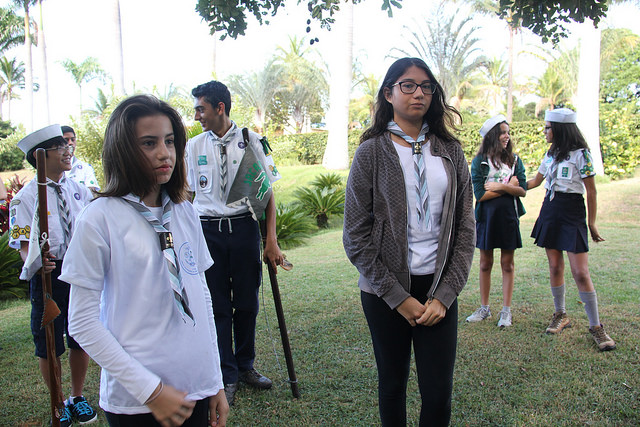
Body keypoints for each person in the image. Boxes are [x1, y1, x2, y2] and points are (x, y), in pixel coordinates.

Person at [61, 95, 229, 426]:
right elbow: (81, 322)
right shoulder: (98, 218)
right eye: (149, 143)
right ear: (123, 150)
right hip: (137, 401)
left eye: (170, 141)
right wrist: (150, 391)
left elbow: (201, 298)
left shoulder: (184, 211)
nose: (164, 153)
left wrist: (215, 380)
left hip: (195, 387)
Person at [343, 57, 476, 426]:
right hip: (384, 291)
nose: (419, 93)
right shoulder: (371, 151)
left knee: (438, 392)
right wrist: (398, 298)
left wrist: (445, 295)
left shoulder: (450, 150)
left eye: (426, 86)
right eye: (408, 85)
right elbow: (355, 235)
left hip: (437, 289)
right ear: (388, 93)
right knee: (392, 384)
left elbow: (466, 228)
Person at [185, 81, 284, 406]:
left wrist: (270, 240)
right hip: (207, 232)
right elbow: (186, 194)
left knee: (246, 303)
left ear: (220, 108)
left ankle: (245, 366)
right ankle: (225, 373)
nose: (196, 115)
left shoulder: (252, 140)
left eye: (201, 109)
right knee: (216, 306)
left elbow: (267, 192)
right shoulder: (193, 146)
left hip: (243, 229)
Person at [8, 125, 96, 426]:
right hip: (49, 275)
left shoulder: (78, 190)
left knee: (79, 336)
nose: (68, 151)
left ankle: (77, 396)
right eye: (61, 147)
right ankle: (57, 400)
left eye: (68, 146)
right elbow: (23, 245)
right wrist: (37, 261)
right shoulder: (26, 197)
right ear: (40, 156)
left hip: (78, 271)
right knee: (49, 343)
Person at [527, 108, 615, 351]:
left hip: (572, 212)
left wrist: (592, 223)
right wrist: (508, 186)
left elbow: (592, 191)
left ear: (560, 129)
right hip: (550, 210)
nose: (544, 131)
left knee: (580, 272)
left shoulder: (581, 155)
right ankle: (560, 314)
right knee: (555, 266)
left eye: (547, 127)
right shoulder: (550, 153)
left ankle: (596, 326)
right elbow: (536, 182)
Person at [465, 115, 527, 328]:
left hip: (509, 217)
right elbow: (480, 194)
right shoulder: (479, 162)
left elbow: (522, 190)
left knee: (507, 264)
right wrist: (510, 187)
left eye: (508, 132)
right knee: (485, 263)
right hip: (486, 218)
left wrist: (501, 186)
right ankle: (484, 308)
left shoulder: (515, 160)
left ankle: (506, 311)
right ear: (492, 136)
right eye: (502, 132)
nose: (507, 136)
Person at [61, 125, 100, 192]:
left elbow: (92, 192)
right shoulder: (53, 167)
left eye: (73, 140)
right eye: (66, 140)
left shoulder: (85, 167)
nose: (70, 143)